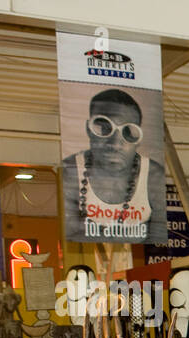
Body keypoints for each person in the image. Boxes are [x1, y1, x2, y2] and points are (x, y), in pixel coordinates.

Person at [61, 88, 167, 242]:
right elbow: (69, 237)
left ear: (138, 140)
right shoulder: (70, 172)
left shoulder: (153, 176)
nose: (115, 144)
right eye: (104, 129)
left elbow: (159, 240)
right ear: (88, 129)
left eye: (128, 132)